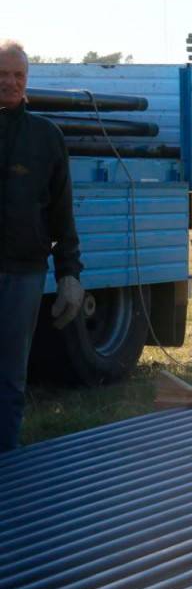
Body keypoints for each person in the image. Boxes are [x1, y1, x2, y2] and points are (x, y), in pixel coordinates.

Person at [0, 40, 84, 452]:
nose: (10, 83)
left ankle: (8, 464)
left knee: (11, 377)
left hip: (22, 272)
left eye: (18, 75)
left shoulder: (45, 137)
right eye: (2, 75)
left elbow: (62, 213)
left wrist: (69, 273)